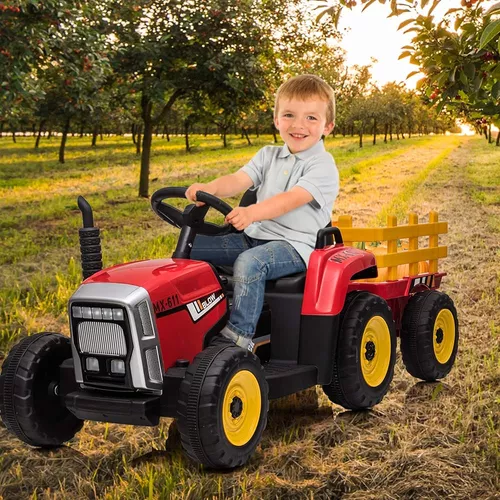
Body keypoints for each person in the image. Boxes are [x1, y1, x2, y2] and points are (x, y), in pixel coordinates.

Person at [186, 74, 339, 350]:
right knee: (191, 248)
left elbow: (290, 200)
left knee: (250, 262)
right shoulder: (268, 155)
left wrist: (251, 213)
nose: (298, 125)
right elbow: (237, 179)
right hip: (253, 236)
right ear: (276, 119)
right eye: (289, 115)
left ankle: (237, 339)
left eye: (311, 118)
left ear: (328, 126)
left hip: (295, 246)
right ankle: (193, 324)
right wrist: (209, 188)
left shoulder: (323, 165)